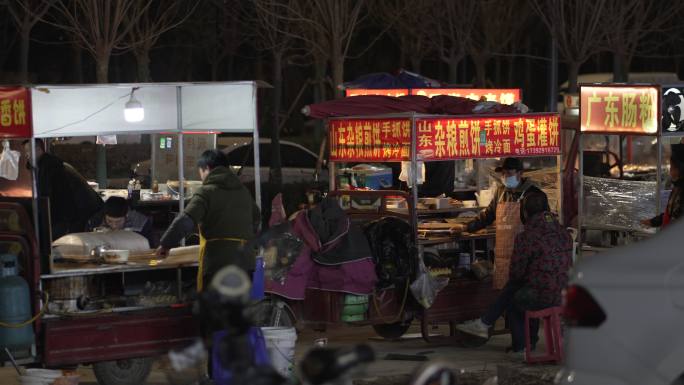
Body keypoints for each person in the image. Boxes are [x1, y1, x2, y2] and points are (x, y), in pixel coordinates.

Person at [455, 192, 572, 356]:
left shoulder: (526, 237)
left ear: (524, 214)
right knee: (522, 288)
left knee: (515, 299)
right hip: (563, 292)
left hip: (542, 295)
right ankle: (496, 327)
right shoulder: (564, 233)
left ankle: (518, 346)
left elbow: (516, 273)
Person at [156, 149, 260, 291]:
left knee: (216, 311)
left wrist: (165, 245)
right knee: (237, 311)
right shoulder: (243, 191)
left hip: (218, 263)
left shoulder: (206, 191)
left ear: (206, 169)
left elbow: (185, 221)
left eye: (200, 172)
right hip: (246, 263)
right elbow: (257, 220)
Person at [456, 157, 546, 289]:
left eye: (509, 173)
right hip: (503, 257)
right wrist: (466, 227)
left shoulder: (534, 196)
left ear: (520, 174)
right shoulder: (501, 191)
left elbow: (542, 228)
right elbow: (488, 216)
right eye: (503, 173)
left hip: (525, 257)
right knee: (504, 291)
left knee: (521, 294)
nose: (505, 177)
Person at [22, 138, 103, 240]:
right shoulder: (47, 163)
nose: (26, 155)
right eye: (25, 152)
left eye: (28, 151)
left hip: (82, 213)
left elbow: (46, 196)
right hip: (80, 212)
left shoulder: (49, 166)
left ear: (38, 149)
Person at [641, 144, 684, 228]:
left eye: (672, 168)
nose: (670, 172)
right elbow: (670, 213)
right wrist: (653, 222)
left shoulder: (682, 191)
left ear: (681, 169)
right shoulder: (677, 187)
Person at [87, 196, 154, 245]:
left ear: (127, 215)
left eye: (118, 222)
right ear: (104, 216)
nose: (114, 226)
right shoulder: (95, 222)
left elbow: (150, 247)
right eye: (109, 221)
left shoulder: (140, 223)